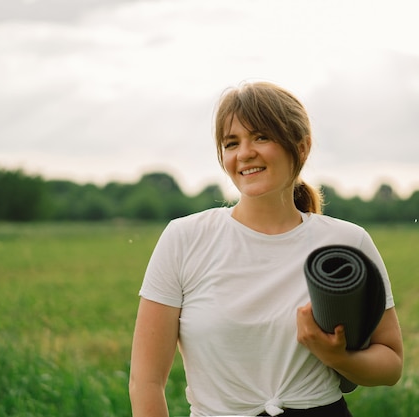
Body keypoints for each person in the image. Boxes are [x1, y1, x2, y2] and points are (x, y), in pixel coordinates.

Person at [129, 81, 403, 417]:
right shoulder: (184, 238)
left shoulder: (347, 243)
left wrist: (336, 357)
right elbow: (146, 381)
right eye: (231, 143)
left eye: (261, 137)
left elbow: (391, 364)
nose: (244, 153)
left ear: (301, 147)